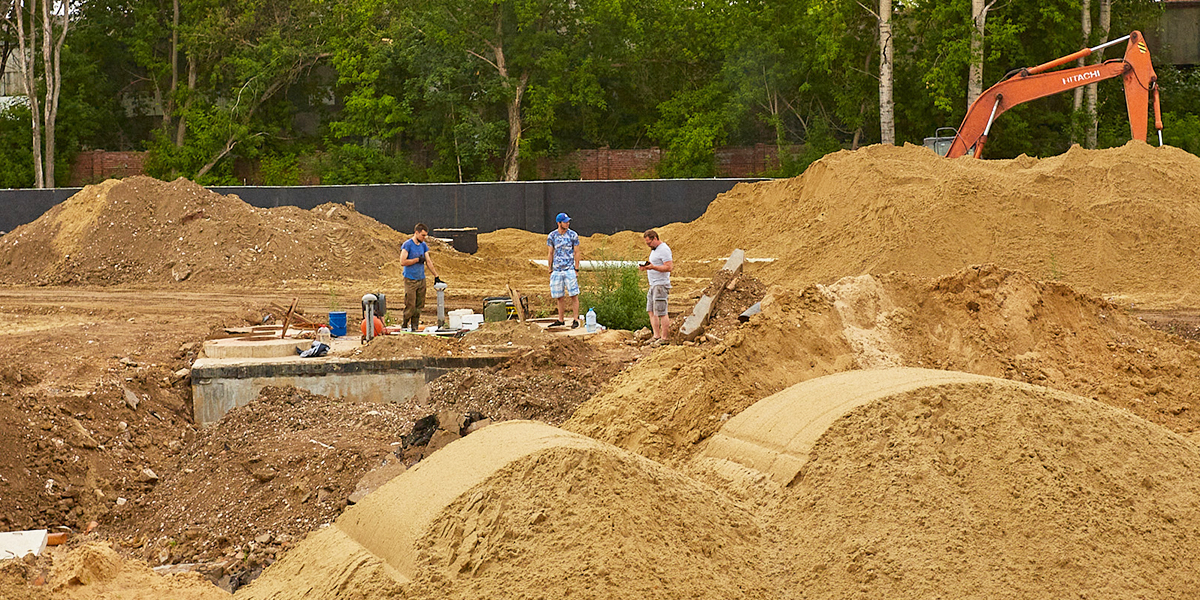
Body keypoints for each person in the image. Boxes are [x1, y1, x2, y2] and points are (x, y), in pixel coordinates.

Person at [399, 223, 442, 331]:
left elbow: (428, 261)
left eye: (425, 235)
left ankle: (414, 326)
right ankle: (404, 324)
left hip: (421, 279)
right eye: (422, 235)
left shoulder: (423, 245)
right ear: (416, 233)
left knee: (419, 306)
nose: (424, 237)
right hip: (410, 279)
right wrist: (417, 260)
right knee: (410, 305)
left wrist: (436, 276)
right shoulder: (407, 245)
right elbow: (402, 261)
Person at [546, 212, 581, 327]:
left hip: (569, 269)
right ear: (559, 223)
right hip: (557, 269)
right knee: (559, 296)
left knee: (573, 294)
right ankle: (561, 319)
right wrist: (550, 268)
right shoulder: (552, 236)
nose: (568, 223)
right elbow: (550, 252)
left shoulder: (573, 235)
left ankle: (575, 319)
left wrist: (576, 268)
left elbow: (577, 252)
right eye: (565, 222)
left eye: (568, 221)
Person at [639, 229, 673, 345]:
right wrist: (647, 267)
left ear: (655, 238)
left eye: (649, 243)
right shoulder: (654, 250)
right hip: (653, 284)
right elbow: (655, 264)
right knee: (651, 310)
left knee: (661, 311)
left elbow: (668, 267)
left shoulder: (664, 249)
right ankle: (656, 335)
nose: (648, 245)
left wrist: (653, 267)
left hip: (660, 284)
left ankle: (664, 338)